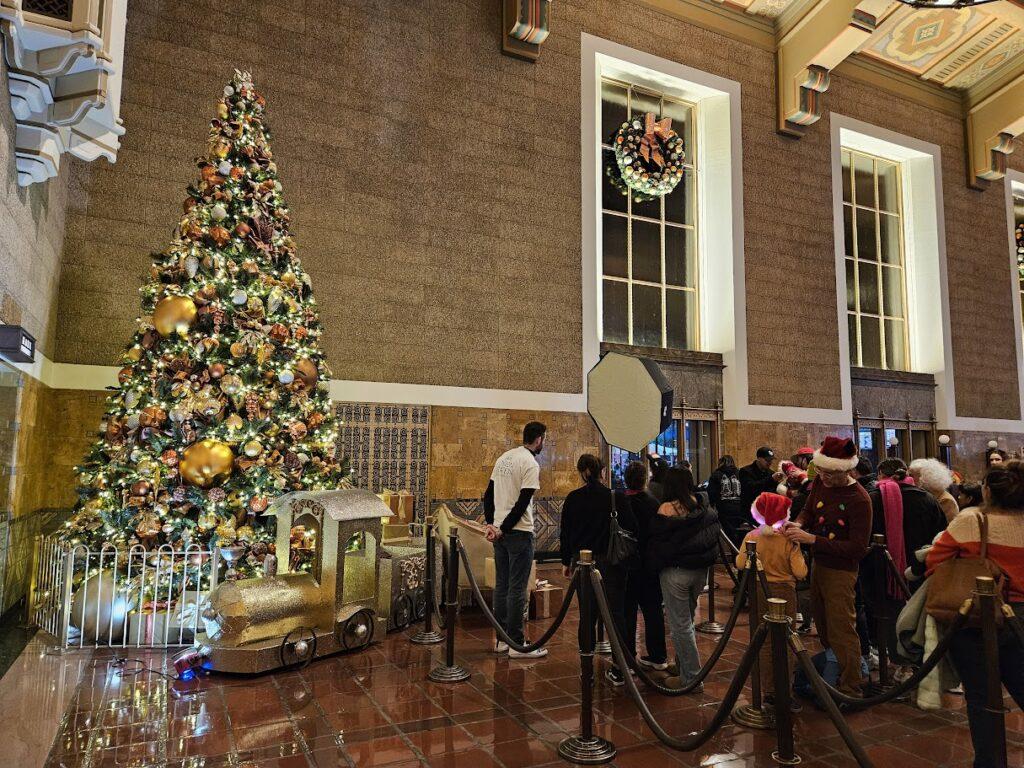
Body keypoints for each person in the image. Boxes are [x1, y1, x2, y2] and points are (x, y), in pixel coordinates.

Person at [927, 461, 1024, 768]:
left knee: (982, 697)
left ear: (986, 490)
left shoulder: (971, 521)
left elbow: (935, 562)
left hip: (976, 618)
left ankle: (990, 762)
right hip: (1021, 615)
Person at [784, 436, 872, 697]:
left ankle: (851, 687)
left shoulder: (860, 499)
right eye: (821, 471)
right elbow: (808, 511)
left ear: (846, 470)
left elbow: (857, 548)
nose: (823, 477)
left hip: (841, 571)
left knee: (842, 628)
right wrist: (798, 524)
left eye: (829, 473)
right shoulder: (820, 485)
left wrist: (812, 539)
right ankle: (835, 672)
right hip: (819, 564)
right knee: (822, 624)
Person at [559, 453, 638, 685]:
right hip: (612, 564)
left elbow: (565, 533)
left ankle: (587, 671)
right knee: (616, 615)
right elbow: (632, 528)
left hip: (583, 564)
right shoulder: (616, 497)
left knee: (587, 616)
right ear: (602, 472)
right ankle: (620, 669)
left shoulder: (573, 499)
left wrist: (566, 562)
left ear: (581, 472)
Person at [863, 458, 945, 666]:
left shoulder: (873, 498)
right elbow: (940, 534)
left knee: (887, 615)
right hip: (918, 569)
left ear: (881, 474)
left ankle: (892, 660)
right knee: (917, 615)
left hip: (882, 570)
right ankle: (918, 660)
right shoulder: (927, 499)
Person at [647, 467, 721, 691]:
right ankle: (682, 665)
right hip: (700, 571)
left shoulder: (666, 509)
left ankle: (691, 677)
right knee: (686, 619)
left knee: (680, 626)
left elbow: (659, 544)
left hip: (675, 573)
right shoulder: (701, 505)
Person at [736, 492, 807, 708]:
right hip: (784, 591)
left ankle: (768, 688)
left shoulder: (751, 537)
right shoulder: (788, 539)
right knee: (786, 640)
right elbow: (800, 571)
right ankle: (784, 689)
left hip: (759, 589)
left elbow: (740, 563)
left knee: (764, 642)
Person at [483, 421, 547, 659]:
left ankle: (501, 640)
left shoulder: (503, 458)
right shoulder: (530, 463)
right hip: (519, 533)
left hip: (500, 531)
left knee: (502, 586)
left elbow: (487, 495)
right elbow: (523, 504)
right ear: (539, 439)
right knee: (517, 589)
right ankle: (517, 644)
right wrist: (503, 528)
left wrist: (492, 524)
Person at [620, 460, 668, 672]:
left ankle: (628, 658)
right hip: (650, 564)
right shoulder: (653, 503)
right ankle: (658, 656)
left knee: (627, 611)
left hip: (628, 564)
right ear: (645, 480)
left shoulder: (620, 502)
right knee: (653, 610)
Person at [738, 447, 783, 525]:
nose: (770, 462)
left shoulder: (770, 473)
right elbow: (752, 489)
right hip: (750, 515)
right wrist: (771, 479)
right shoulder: (745, 471)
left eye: (771, 460)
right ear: (759, 458)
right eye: (767, 460)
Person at [908, 457, 958, 524]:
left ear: (923, 477)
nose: (908, 478)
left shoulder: (946, 500)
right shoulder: (925, 495)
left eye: (911, 475)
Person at [708, 455, 744, 546]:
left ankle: (734, 553)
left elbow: (711, 493)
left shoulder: (716, 474)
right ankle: (738, 553)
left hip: (724, 508)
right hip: (739, 508)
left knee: (729, 535)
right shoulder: (740, 473)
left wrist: (712, 506)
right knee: (738, 534)